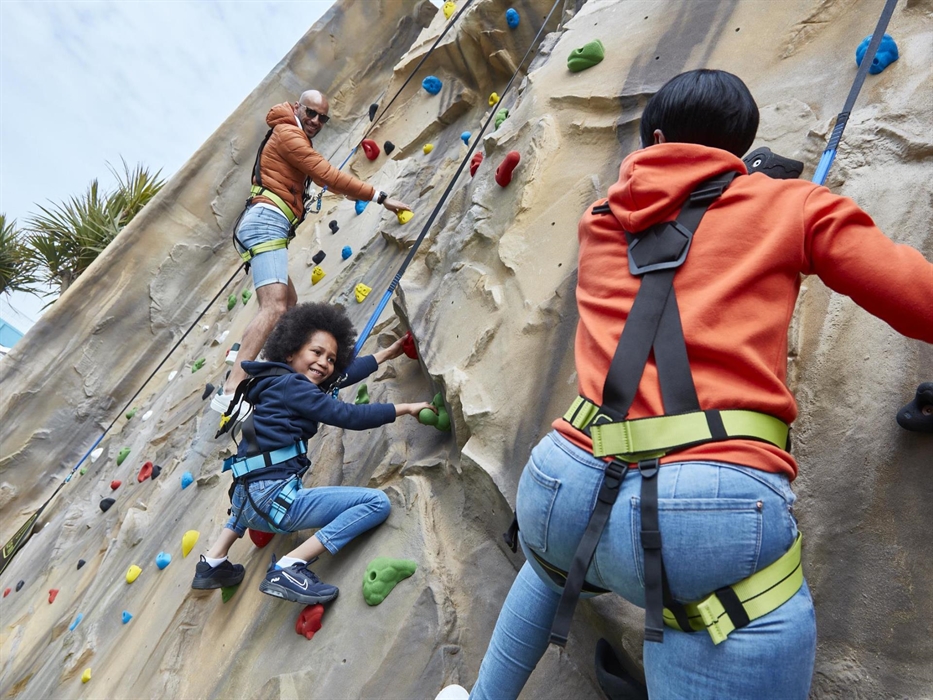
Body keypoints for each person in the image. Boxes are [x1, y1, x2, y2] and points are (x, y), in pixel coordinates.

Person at [443, 70, 933, 700]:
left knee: (553, 560)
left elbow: (673, 217)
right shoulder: (793, 206)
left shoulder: (599, 220)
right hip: (704, 510)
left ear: (654, 139)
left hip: (566, 478)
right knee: (738, 609)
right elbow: (916, 298)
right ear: (739, 147)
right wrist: (790, 204)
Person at [192, 302, 434, 603]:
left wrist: (386, 353)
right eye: (316, 352)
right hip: (271, 502)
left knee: (260, 473)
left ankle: (214, 560)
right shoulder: (295, 388)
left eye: (332, 358)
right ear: (291, 351)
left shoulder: (273, 383)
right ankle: (290, 566)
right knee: (376, 503)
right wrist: (407, 407)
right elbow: (349, 416)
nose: (325, 363)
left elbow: (338, 378)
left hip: (243, 501)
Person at [211, 89, 412, 413]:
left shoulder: (292, 134)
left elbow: (324, 180)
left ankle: (276, 375)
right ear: (296, 107)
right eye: (311, 113)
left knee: (287, 305)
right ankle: (232, 390)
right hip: (266, 223)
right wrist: (380, 196)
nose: (316, 121)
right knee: (275, 307)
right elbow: (327, 176)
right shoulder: (289, 134)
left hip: (268, 224)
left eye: (322, 117)